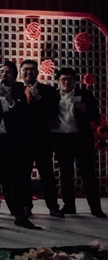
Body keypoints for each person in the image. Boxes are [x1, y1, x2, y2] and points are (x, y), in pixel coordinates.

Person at [0, 63, 36, 230]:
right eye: (1, 72)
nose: (4, 74)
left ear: (14, 76)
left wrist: (10, 100)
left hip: (12, 140)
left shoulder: (19, 92)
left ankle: (19, 215)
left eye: (8, 72)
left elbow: (23, 117)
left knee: (16, 178)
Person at [53, 68, 105, 218]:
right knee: (65, 174)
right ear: (58, 81)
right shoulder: (53, 96)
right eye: (63, 79)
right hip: (61, 139)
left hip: (81, 139)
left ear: (75, 81)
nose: (66, 82)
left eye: (69, 79)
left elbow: (95, 116)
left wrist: (85, 110)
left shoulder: (85, 95)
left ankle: (96, 208)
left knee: (88, 174)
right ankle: (69, 206)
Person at [19, 59, 64, 217]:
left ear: (37, 72)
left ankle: (53, 206)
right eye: (25, 69)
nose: (28, 72)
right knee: (23, 174)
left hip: (42, 139)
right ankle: (26, 206)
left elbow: (53, 113)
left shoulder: (49, 91)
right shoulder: (16, 90)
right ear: (21, 72)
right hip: (22, 140)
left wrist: (39, 99)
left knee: (47, 174)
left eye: (32, 69)